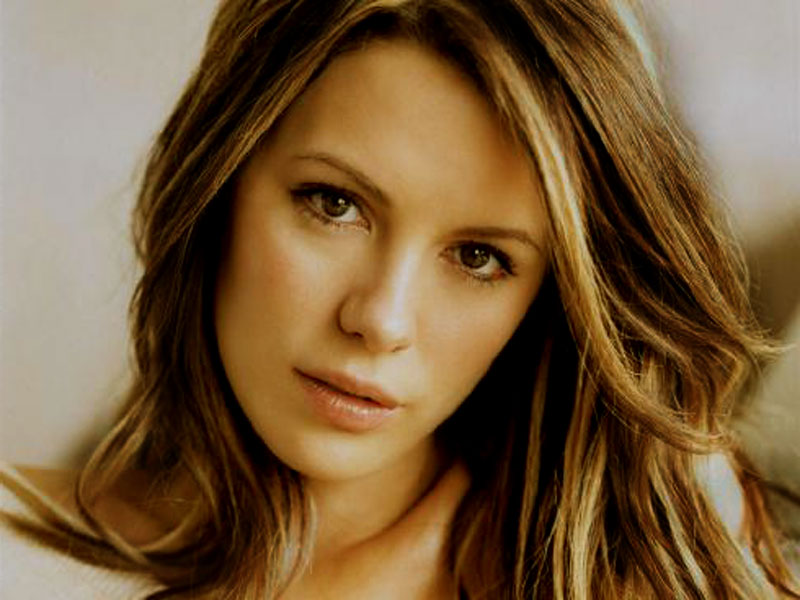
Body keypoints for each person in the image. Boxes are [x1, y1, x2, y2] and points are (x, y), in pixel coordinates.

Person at [1, 0, 798, 598]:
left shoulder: (632, 574)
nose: (380, 319)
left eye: (480, 258)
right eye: (334, 204)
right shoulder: (18, 553)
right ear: (218, 182)